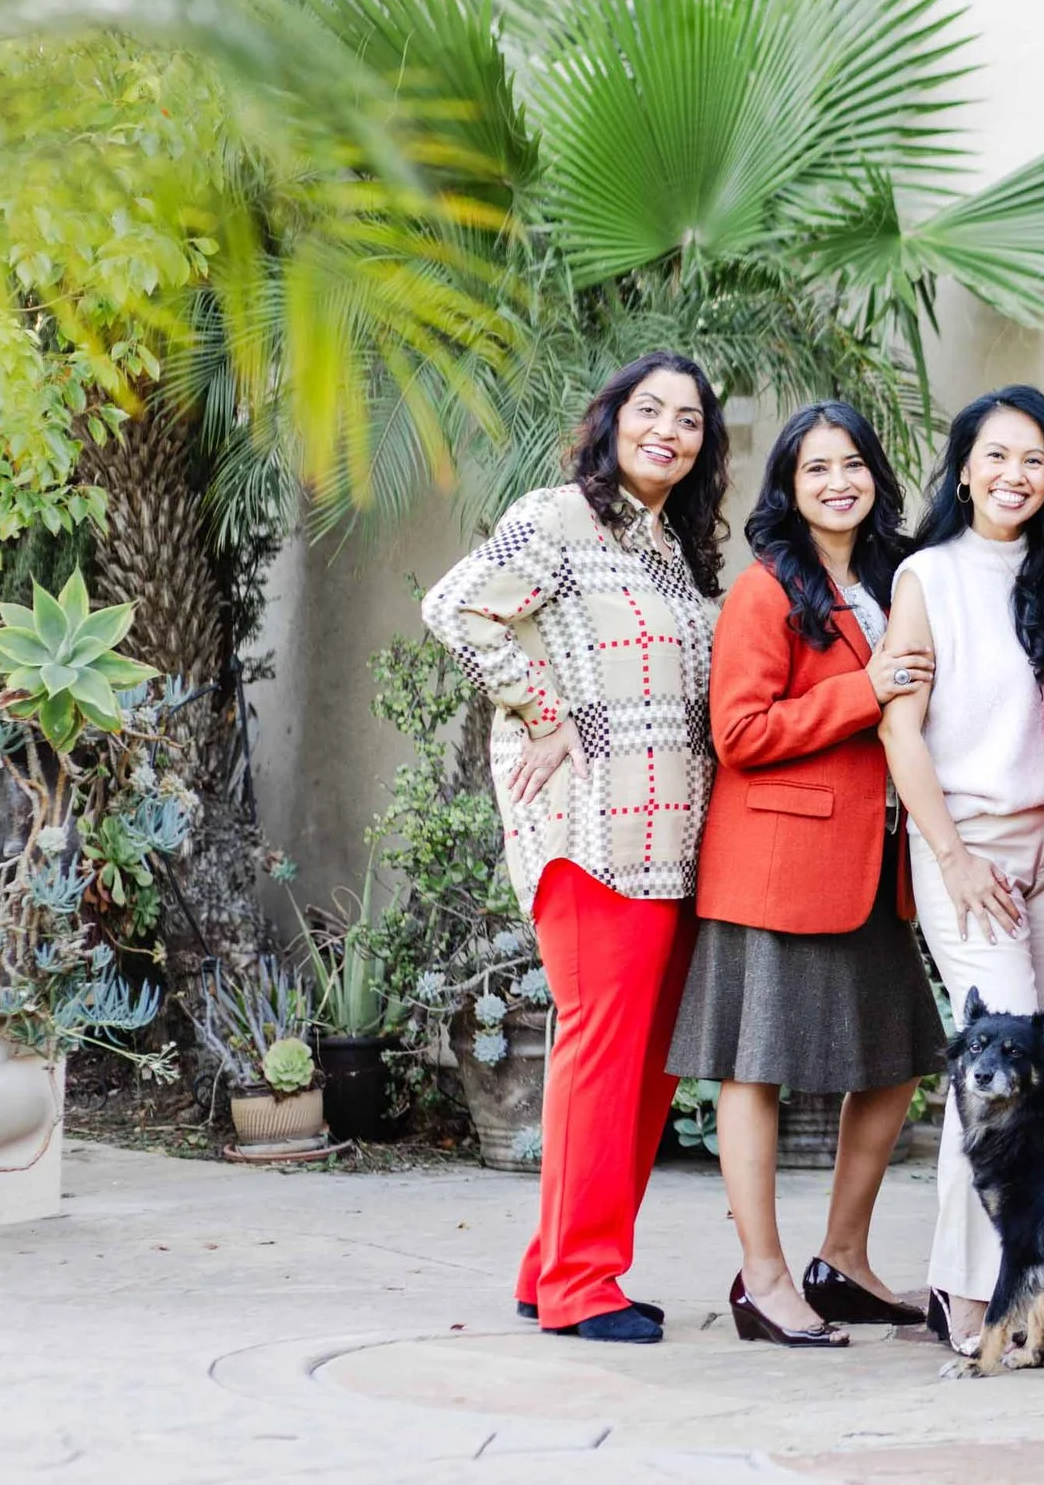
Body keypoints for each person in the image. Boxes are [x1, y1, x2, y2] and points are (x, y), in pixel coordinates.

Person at [422, 349, 731, 1345]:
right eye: (652, 409)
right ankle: (582, 1285)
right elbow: (453, 607)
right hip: (590, 832)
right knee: (604, 1052)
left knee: (649, 1065)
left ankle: (550, 1262)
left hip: (676, 842)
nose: (668, 430)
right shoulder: (556, 517)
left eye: (689, 419)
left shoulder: (671, 548)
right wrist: (542, 710)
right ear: (613, 419)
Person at [668, 401, 947, 1349]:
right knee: (757, 1070)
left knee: (899, 1059)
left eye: (855, 463)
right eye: (816, 467)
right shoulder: (764, 587)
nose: (839, 481)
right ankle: (765, 1276)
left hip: (873, 865)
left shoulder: (888, 576)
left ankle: (844, 1258)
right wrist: (861, 693)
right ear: (788, 486)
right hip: (779, 867)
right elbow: (740, 733)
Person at [876, 386, 1044, 1359]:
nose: (1014, 474)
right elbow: (899, 728)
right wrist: (952, 858)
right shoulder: (928, 573)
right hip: (966, 843)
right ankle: (964, 1287)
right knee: (992, 1080)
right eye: (995, 455)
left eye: (1035, 458)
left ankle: (1034, 1277)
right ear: (962, 467)